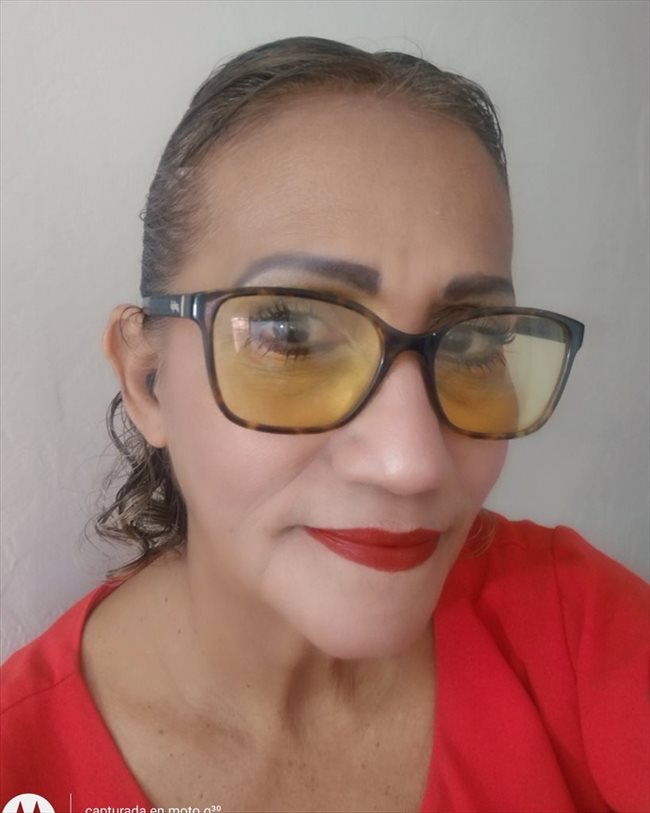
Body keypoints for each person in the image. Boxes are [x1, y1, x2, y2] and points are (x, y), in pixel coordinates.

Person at [1, 36, 648, 813]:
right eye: (291, 334)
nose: (411, 463)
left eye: (475, 343)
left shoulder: (571, 626)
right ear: (149, 381)